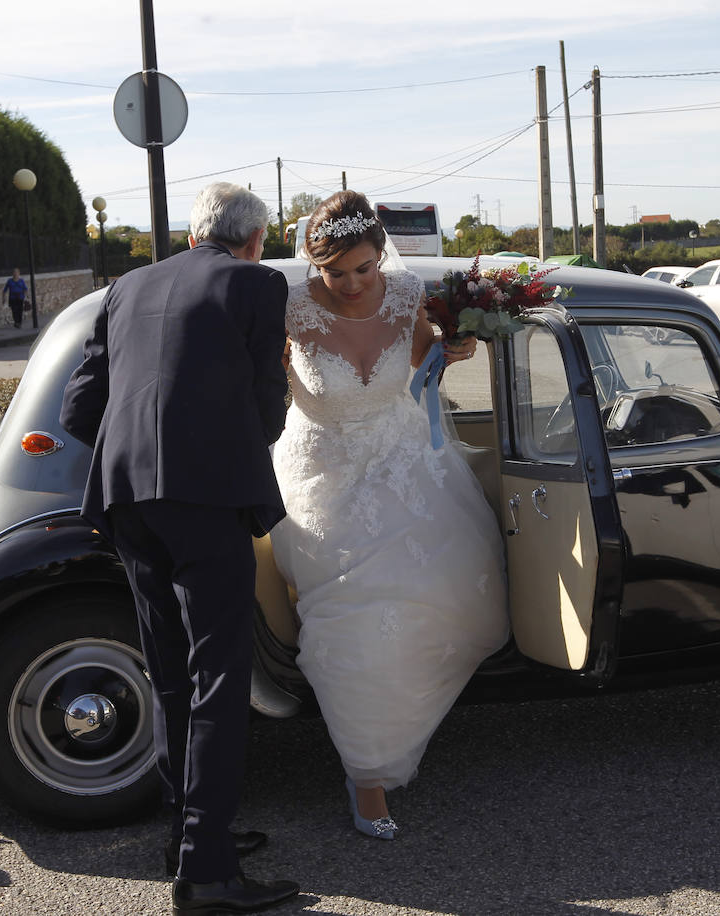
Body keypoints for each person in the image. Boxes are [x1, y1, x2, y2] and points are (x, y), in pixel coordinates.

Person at [59, 182, 299, 914]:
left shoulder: (127, 285)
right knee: (218, 679)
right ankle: (206, 873)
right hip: (206, 498)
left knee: (169, 674)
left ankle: (189, 834)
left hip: (127, 500)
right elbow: (265, 405)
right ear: (253, 240)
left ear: (195, 234)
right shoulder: (256, 285)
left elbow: (78, 407)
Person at [270, 190, 508, 840]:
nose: (351, 284)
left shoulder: (406, 294)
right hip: (326, 475)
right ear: (313, 264)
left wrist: (450, 350)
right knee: (354, 619)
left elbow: (421, 358)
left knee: (448, 595)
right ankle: (367, 778)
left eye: (363, 268)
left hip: (405, 461)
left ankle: (401, 722)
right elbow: (257, 383)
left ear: (381, 255)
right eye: (335, 272)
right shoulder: (288, 308)